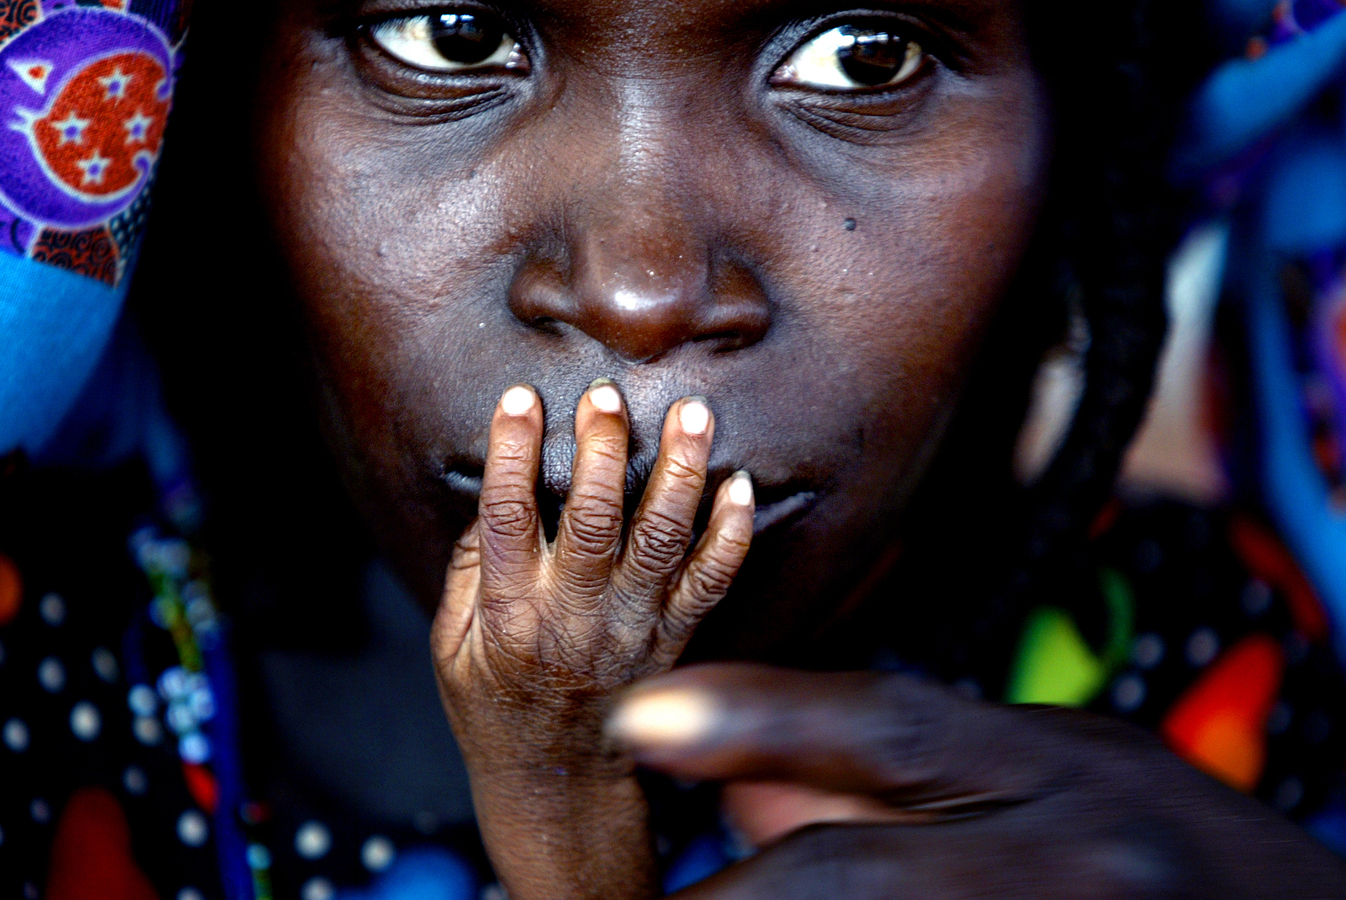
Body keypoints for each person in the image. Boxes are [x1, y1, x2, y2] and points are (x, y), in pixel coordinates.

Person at [4, 0, 1346, 898]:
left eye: (860, 57)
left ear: (1074, 145)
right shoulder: (34, 668)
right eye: (449, 32)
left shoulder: (1224, 690)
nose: (638, 287)